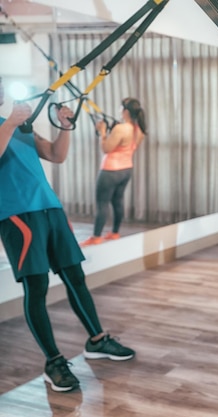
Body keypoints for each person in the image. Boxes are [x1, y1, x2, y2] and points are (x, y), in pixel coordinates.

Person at [0, 76, 135, 393]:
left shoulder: (18, 125)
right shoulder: (10, 125)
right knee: (38, 286)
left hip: (50, 207)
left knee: (75, 276)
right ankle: (54, 362)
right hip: (17, 215)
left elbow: (56, 155)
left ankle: (97, 340)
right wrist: (11, 123)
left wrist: (64, 126)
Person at [81, 97, 146, 247]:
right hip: (126, 169)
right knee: (118, 202)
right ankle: (115, 233)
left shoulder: (121, 129)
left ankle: (96, 237)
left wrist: (102, 132)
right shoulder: (139, 130)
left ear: (126, 111)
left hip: (110, 171)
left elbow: (106, 148)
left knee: (102, 204)